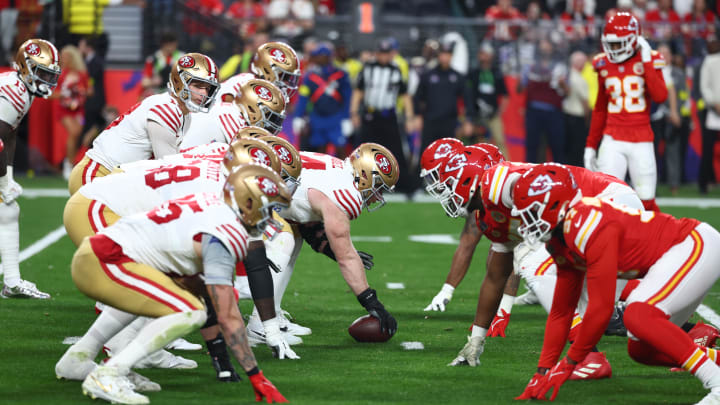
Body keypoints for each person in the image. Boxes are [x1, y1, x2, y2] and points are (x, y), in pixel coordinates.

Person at [61, 164, 290, 404]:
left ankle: (78, 358)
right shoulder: (226, 232)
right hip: (108, 259)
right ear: (250, 203)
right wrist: (256, 375)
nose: (271, 215)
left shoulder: (211, 204)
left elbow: (192, 280)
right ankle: (108, 373)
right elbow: (228, 317)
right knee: (190, 312)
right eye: (268, 206)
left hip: (102, 253)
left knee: (173, 295)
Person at [423, 145, 645, 380]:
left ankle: (589, 358)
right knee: (595, 315)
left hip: (607, 200)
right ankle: (683, 332)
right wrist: (476, 341)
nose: (446, 193)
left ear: (467, 179)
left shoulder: (498, 183)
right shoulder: (489, 216)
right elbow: (495, 277)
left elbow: (553, 199)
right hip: (596, 213)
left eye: (448, 185)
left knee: (534, 264)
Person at [513, 163, 720, 404]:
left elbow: (600, 310)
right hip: (674, 256)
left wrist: (570, 362)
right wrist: (543, 371)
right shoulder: (561, 239)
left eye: (532, 212)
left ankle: (716, 382)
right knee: (642, 350)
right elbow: (561, 312)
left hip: (694, 244)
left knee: (637, 315)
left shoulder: (586, 226)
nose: (526, 222)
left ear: (555, 204)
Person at [277, 143, 400, 337]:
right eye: (379, 188)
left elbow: (304, 218)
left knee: (292, 236)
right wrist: (373, 304)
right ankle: (261, 324)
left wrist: (330, 248)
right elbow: (347, 258)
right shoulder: (347, 195)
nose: (378, 197)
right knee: (283, 242)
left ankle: (270, 315)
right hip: (240, 191)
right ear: (365, 175)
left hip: (253, 187)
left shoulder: (337, 169)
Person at [68, 52, 220, 195]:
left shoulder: (185, 117)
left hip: (115, 179)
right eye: (198, 86)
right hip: (98, 174)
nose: (204, 94)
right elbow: (169, 168)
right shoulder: (167, 108)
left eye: (208, 89)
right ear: (179, 81)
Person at [584, 12, 668, 212]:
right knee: (605, 200)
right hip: (612, 139)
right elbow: (600, 109)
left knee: (646, 200)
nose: (613, 49)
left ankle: (653, 242)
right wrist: (590, 145)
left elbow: (660, 96)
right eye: (610, 44)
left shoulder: (649, 59)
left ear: (633, 40)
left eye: (617, 44)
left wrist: (646, 60)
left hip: (641, 139)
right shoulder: (603, 63)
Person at [0, 39, 60, 299]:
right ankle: (12, 282)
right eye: (41, 72)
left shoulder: (22, 89)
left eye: (49, 73)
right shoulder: (13, 90)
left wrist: (9, 177)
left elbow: (10, 135)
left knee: (8, 210)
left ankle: (12, 283)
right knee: (7, 208)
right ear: (25, 67)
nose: (45, 79)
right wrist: (3, 183)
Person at [350, 39, 414, 194]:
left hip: (389, 116)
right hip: (370, 115)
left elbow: (405, 95)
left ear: (391, 54)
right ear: (376, 53)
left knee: (396, 151)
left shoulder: (395, 70)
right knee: (364, 151)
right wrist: (353, 113)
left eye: (386, 53)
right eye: (381, 53)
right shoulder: (367, 69)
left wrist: (410, 116)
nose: (383, 57)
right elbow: (358, 92)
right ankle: (359, 182)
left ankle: (402, 185)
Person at [180, 78, 286, 149]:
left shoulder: (230, 110)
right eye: (269, 116)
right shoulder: (232, 118)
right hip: (181, 158)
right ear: (253, 109)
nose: (272, 123)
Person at [293, 42, 352, 157]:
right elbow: (303, 97)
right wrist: (298, 116)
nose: (316, 58)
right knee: (320, 150)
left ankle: (343, 173)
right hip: (317, 117)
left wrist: (346, 118)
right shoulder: (310, 76)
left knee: (340, 148)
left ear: (327, 56)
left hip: (335, 118)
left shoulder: (341, 75)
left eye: (319, 56)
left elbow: (347, 97)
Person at [414, 41, 473, 154]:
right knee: (427, 152)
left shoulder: (458, 77)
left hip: (450, 122)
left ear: (451, 56)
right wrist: (417, 116)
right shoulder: (428, 75)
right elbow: (418, 97)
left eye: (447, 54)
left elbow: (467, 99)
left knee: (450, 154)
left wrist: (468, 120)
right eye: (442, 54)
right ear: (438, 55)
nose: (444, 57)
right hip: (430, 121)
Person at [519, 38, 567, 164]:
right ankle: (528, 174)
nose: (545, 50)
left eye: (547, 47)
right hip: (533, 110)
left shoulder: (559, 66)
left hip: (553, 111)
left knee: (557, 146)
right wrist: (522, 77)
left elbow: (567, 92)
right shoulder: (530, 66)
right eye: (542, 47)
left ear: (552, 48)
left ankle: (559, 176)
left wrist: (562, 83)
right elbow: (519, 89)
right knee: (532, 147)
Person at [466, 43, 508, 155]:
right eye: (481, 54)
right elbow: (467, 94)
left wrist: (499, 112)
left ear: (491, 56)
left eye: (485, 54)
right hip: (477, 115)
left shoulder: (496, 73)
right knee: (476, 144)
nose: (482, 57)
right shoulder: (474, 73)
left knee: (500, 141)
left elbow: (505, 95)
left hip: (493, 115)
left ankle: (506, 168)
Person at [54, 45, 89, 180]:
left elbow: (89, 90)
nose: (63, 59)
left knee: (76, 135)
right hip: (63, 109)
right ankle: (68, 165)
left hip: (78, 109)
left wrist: (80, 92)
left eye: (66, 56)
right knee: (73, 132)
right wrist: (64, 95)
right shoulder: (60, 73)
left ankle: (72, 162)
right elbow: (51, 92)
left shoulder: (82, 74)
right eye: (62, 56)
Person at [699, 38, 720, 195]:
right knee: (707, 150)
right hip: (712, 111)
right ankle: (703, 183)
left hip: (715, 108)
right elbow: (704, 86)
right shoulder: (709, 60)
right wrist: (714, 103)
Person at [563, 51, 590, 168]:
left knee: (568, 149)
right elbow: (585, 103)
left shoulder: (566, 76)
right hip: (577, 119)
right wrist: (588, 120)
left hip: (566, 116)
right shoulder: (579, 79)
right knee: (577, 150)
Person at [141, 32, 183, 96]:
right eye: (168, 44)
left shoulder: (182, 58)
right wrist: (153, 82)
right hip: (158, 94)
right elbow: (144, 82)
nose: (171, 47)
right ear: (163, 44)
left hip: (176, 94)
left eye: (173, 44)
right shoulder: (153, 59)